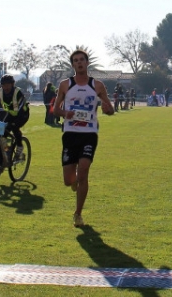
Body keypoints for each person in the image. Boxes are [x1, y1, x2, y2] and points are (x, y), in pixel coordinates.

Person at [54, 50, 115, 227]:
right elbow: (56, 109)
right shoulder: (65, 84)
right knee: (69, 180)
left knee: (83, 172)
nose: (79, 63)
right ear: (72, 65)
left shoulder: (97, 85)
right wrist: (66, 112)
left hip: (89, 134)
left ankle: (78, 214)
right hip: (70, 134)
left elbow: (110, 109)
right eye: (75, 61)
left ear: (87, 63)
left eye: (82, 60)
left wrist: (107, 109)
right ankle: (75, 184)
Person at [0, 74, 30, 161]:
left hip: (23, 114)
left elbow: (20, 107)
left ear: (12, 85)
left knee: (15, 127)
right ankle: (6, 151)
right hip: (11, 114)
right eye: (4, 85)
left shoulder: (18, 92)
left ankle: (19, 147)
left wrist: (14, 122)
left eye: (8, 85)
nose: (6, 87)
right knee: (2, 133)